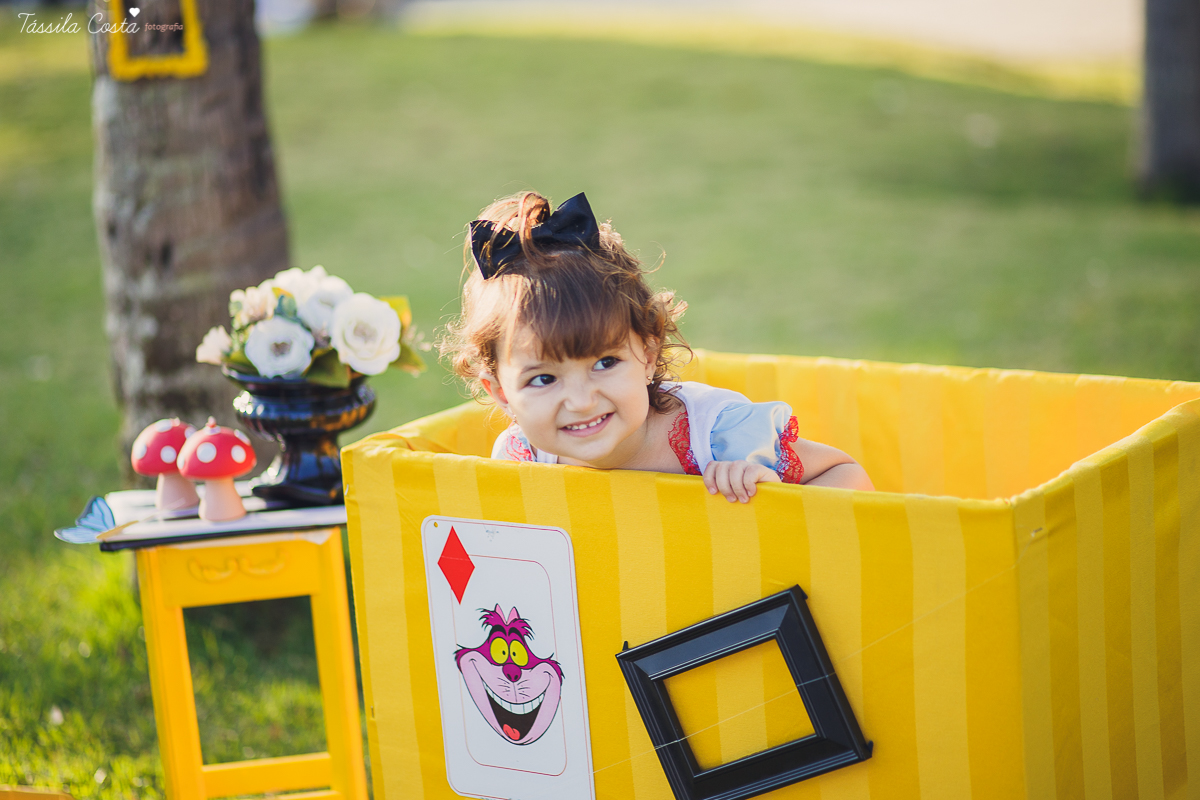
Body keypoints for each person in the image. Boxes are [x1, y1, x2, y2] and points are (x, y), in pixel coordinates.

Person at [441, 191, 874, 502]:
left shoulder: (721, 440)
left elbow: (849, 476)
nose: (581, 399)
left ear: (648, 355)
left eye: (605, 362)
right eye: (543, 378)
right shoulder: (520, 461)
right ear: (501, 393)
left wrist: (776, 501)